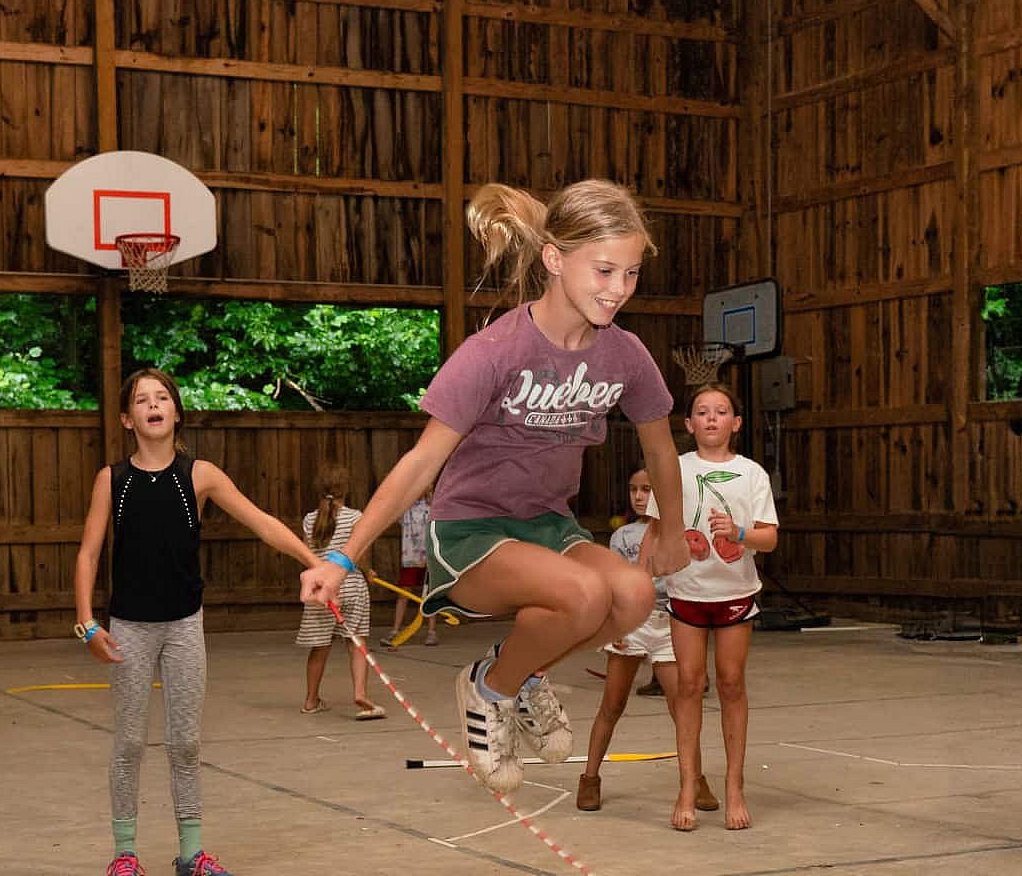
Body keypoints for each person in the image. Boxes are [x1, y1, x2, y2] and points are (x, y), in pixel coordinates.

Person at [299, 179, 688, 796]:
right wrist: (344, 556)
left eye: (632, 273)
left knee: (635, 594)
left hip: (548, 526)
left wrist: (671, 526)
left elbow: (661, 447)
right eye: (605, 270)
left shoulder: (625, 355)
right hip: (471, 532)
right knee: (587, 594)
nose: (618, 290)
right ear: (555, 259)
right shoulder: (494, 353)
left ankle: (519, 671)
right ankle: (491, 689)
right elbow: (420, 464)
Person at [73, 367, 322, 876]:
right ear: (127, 418)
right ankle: (124, 857)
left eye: (162, 397)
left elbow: (261, 522)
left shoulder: (200, 476)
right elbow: (89, 552)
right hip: (129, 629)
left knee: (185, 742)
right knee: (130, 744)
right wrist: (87, 624)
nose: (153, 405)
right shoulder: (111, 480)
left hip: (185, 626)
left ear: (177, 412)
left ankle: (191, 858)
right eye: (142, 400)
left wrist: (314, 561)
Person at [648, 383, 778, 831]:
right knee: (688, 684)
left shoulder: (752, 474)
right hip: (686, 594)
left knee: (731, 684)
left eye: (720, 411)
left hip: (735, 596)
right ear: (688, 424)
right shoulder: (674, 471)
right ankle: (687, 785)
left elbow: (769, 538)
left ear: (735, 423)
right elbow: (654, 532)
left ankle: (736, 788)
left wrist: (739, 534)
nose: (710, 418)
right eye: (701, 412)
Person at [577, 466, 717, 814]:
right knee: (612, 705)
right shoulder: (621, 536)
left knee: (681, 708)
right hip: (632, 625)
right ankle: (590, 778)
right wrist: (616, 627)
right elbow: (615, 586)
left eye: (647, 489)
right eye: (634, 489)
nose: (639, 496)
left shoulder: (680, 533)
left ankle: (695, 779)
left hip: (670, 625)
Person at [296, 466, 385, 719]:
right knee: (356, 642)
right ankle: (360, 693)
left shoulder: (309, 519)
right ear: (346, 489)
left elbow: (308, 555)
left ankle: (311, 700)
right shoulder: (356, 517)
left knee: (320, 646)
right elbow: (360, 552)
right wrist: (368, 571)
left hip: (322, 587)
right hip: (351, 583)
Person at [383, 490, 438, 647]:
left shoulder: (432, 508)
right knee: (404, 593)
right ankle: (395, 630)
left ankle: (431, 631)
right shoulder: (405, 508)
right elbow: (392, 511)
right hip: (410, 558)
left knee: (430, 594)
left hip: (428, 558)